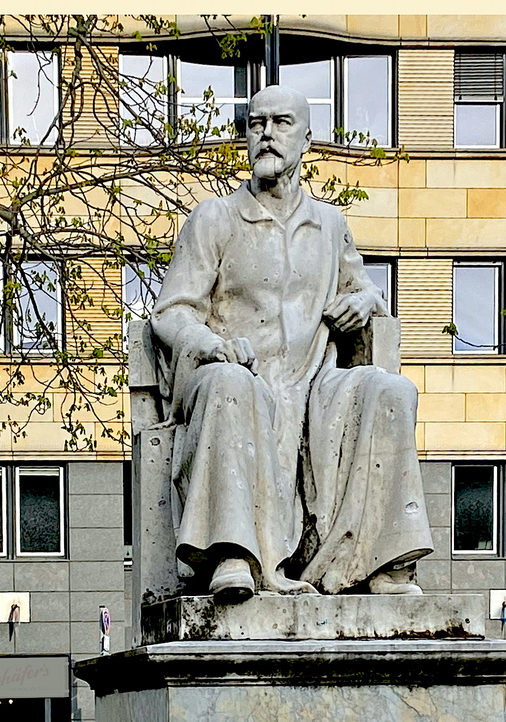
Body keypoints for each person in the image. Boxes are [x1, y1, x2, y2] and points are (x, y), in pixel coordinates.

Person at [150, 85, 432, 602]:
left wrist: (366, 301)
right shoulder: (215, 219)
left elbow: (361, 288)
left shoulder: (329, 225)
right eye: (256, 124)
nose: (266, 135)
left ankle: (384, 561)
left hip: (315, 384)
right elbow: (171, 313)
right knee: (230, 384)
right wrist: (208, 344)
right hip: (237, 376)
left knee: (389, 391)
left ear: (306, 140)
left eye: (281, 123)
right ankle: (233, 552)